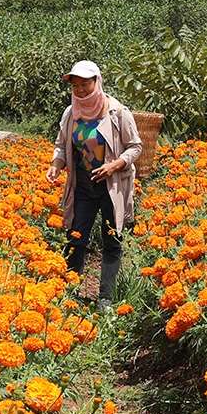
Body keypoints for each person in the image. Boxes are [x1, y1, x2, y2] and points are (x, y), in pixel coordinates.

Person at [47, 61, 142, 301]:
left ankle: (105, 299)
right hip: (83, 186)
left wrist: (115, 164)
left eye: (85, 84)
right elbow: (61, 145)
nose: (80, 90)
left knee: (112, 239)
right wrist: (56, 165)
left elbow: (135, 147)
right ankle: (69, 293)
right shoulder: (71, 113)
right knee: (76, 237)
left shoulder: (117, 112)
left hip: (111, 187)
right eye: (75, 85)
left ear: (96, 82)